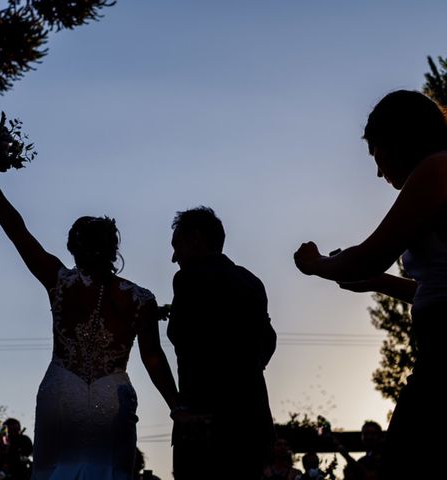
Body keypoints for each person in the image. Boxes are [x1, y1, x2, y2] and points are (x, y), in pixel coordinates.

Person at [293, 89, 447, 480]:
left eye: (377, 154)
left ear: (399, 140)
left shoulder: (437, 169)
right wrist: (378, 283)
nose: (379, 172)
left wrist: (317, 264)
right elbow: (432, 288)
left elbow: (366, 256)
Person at [0, 180, 181, 480]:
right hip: (112, 394)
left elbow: (18, 232)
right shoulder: (141, 299)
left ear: (74, 248)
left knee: (54, 471)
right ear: (113, 249)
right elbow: (153, 358)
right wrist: (177, 407)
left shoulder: (59, 281)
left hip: (61, 389)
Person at [167, 206, 277, 480]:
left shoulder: (188, 278)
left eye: (176, 244)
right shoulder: (252, 282)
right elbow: (269, 341)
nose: (173, 257)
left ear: (196, 238)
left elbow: (181, 335)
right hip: (253, 420)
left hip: (204, 424)